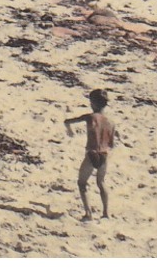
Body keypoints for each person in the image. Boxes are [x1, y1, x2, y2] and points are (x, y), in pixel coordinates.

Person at [64, 88, 115, 220]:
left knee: (82, 183)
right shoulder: (111, 122)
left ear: (92, 103)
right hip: (104, 155)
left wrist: (69, 130)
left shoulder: (90, 117)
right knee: (101, 182)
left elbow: (68, 121)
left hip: (91, 154)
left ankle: (88, 213)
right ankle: (105, 213)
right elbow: (111, 144)